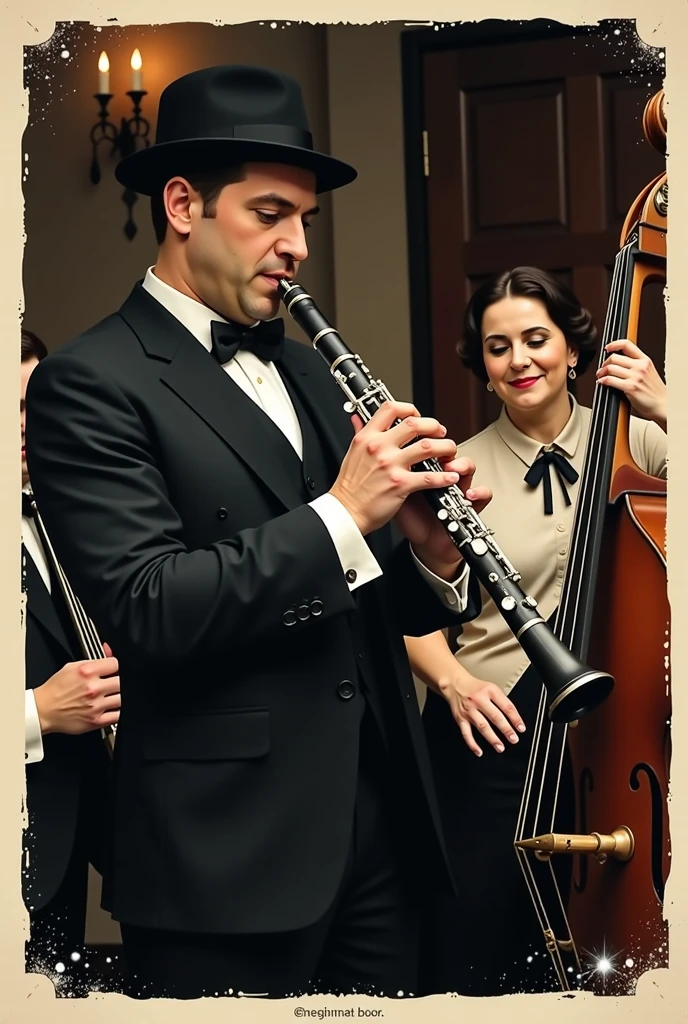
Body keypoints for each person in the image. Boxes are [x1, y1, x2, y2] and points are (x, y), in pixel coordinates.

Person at [23, 64, 492, 1000]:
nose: (297, 247)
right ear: (184, 202)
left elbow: (360, 581)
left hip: (378, 832)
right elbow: (150, 606)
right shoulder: (91, 381)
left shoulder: (314, 367)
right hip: (226, 857)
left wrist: (433, 557)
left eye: (306, 222)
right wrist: (343, 510)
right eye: (271, 214)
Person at [404, 266, 668, 996]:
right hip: (490, 731)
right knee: (481, 934)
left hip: (613, 732)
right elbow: (408, 617)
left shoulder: (636, 441)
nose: (518, 360)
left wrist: (667, 404)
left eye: (535, 339)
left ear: (573, 349)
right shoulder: (454, 469)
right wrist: (454, 685)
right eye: (497, 347)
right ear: (483, 369)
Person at [20, 329, 121, 995]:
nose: (21, 427)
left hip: (91, 832)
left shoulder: (70, 510)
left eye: (31, 404)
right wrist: (36, 713)